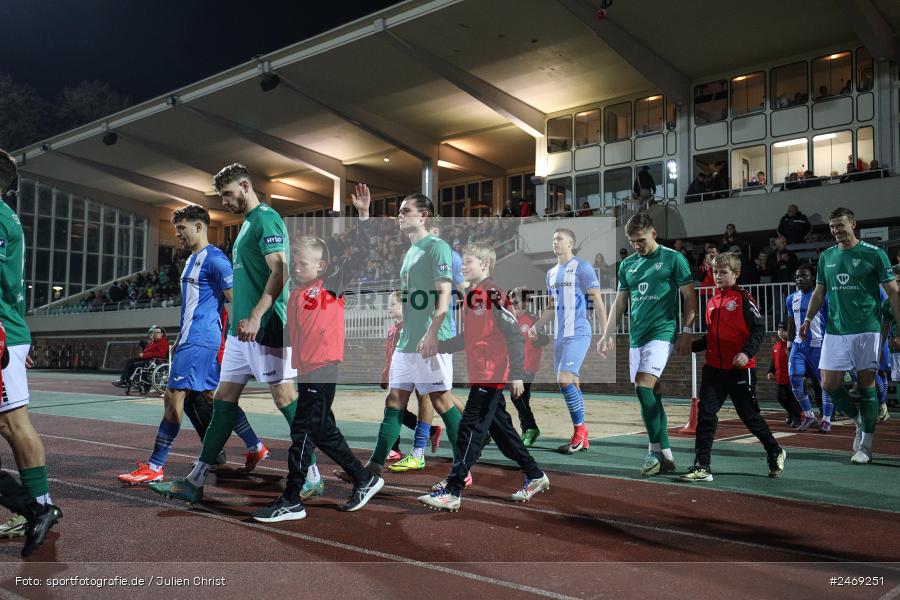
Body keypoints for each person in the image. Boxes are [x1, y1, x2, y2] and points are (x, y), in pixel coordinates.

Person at [149, 163, 307, 503]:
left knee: (285, 400)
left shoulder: (265, 218)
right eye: (221, 195)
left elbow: (280, 270)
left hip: (267, 326)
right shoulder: (247, 224)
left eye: (228, 194)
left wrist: (256, 315)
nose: (224, 201)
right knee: (222, 401)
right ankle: (196, 478)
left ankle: (311, 473)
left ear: (246, 186)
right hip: (242, 333)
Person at [251, 183, 385, 522]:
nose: (296, 267)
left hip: (324, 367)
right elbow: (287, 335)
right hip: (307, 369)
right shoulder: (297, 294)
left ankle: (291, 499)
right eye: (295, 262)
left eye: (302, 262)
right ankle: (365, 478)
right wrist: (257, 333)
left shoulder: (332, 285)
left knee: (303, 433)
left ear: (322, 265)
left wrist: (364, 217)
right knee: (322, 431)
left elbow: (359, 255)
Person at [118, 205, 266, 485]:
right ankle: (255, 446)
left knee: (173, 396)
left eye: (182, 228)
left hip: (200, 340)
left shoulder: (215, 260)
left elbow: (238, 297)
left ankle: (156, 465)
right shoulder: (191, 260)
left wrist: (248, 327)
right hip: (191, 338)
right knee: (213, 398)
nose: (177, 234)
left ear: (199, 227)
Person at [418, 243, 549, 512]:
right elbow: (469, 338)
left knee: (470, 430)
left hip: (492, 377)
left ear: (485, 265)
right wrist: (438, 345)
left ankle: (453, 489)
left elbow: (514, 335)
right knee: (504, 436)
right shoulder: (471, 297)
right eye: (462, 262)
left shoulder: (494, 294)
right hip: (482, 376)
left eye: (469, 262)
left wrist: (517, 374)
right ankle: (535, 475)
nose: (463, 266)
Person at [349, 193, 465, 482]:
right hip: (407, 341)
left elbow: (444, 296)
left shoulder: (438, 248)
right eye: (399, 211)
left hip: (430, 340)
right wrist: (364, 214)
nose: (400, 215)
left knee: (442, 402)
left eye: (406, 210)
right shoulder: (410, 251)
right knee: (394, 400)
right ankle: (373, 469)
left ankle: (462, 468)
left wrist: (432, 333)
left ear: (423, 215)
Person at [799, 207, 900, 464]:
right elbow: (820, 292)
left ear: (853, 224)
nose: (836, 230)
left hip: (867, 328)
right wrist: (809, 318)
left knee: (866, 385)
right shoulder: (827, 257)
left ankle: (865, 446)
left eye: (840, 225)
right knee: (828, 384)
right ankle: (858, 421)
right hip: (835, 330)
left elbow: (893, 291)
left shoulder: (874, 254)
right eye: (832, 226)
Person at [598, 213, 696, 475]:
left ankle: (652, 452)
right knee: (653, 395)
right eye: (632, 242)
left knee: (643, 387)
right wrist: (607, 333)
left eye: (640, 240)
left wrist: (687, 330)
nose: (636, 246)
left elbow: (689, 296)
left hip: (662, 332)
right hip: (636, 336)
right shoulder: (627, 265)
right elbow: (620, 302)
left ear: (653, 233)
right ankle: (666, 454)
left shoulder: (673, 259)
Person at [0, 150, 61, 554]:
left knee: (13, 423)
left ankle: (38, 508)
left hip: (1, 332)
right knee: (12, 423)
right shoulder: (6, 216)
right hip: (8, 329)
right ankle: (35, 508)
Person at [680, 253, 786, 482]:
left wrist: (746, 353)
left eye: (724, 272)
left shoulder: (743, 298)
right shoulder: (711, 301)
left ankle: (774, 450)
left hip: (740, 369)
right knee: (706, 415)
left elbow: (759, 329)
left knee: (749, 416)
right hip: (713, 369)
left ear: (736, 274)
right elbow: (712, 337)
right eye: (716, 272)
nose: (718, 276)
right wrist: (691, 346)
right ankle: (702, 466)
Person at [528, 228, 607, 453]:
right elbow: (552, 306)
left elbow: (598, 300)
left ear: (571, 243)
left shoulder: (582, 267)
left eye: (559, 239)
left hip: (579, 331)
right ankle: (583, 435)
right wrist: (537, 325)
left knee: (564, 379)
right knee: (571, 382)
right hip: (560, 336)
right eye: (553, 239)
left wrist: (606, 332)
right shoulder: (551, 273)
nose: (555, 242)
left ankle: (579, 431)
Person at [381, 292, 443, 462]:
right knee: (393, 406)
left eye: (393, 304)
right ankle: (430, 432)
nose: (389, 308)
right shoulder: (393, 328)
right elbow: (390, 353)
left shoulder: (409, 327)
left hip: (415, 369)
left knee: (398, 406)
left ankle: (396, 447)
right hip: (401, 371)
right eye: (389, 304)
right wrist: (387, 370)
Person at [785, 264, 833, 432]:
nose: (800, 279)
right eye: (797, 276)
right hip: (799, 345)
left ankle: (826, 420)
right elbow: (791, 323)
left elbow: (831, 320)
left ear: (812, 277)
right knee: (794, 377)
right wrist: (789, 345)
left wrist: (831, 343)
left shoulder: (823, 296)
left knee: (825, 384)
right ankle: (809, 416)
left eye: (804, 276)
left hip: (820, 345)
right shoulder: (791, 298)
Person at [509, 287, 550, 446]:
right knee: (522, 398)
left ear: (525, 303)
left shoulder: (533, 319)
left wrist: (538, 336)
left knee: (517, 396)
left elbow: (545, 340)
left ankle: (531, 428)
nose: (514, 304)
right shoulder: (510, 319)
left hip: (528, 365)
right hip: (514, 367)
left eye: (517, 301)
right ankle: (526, 430)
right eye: (512, 302)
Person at [768, 322, 802, 428]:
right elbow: (773, 361)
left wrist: (803, 374)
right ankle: (791, 413)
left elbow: (800, 360)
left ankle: (797, 419)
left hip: (791, 379)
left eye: (783, 330)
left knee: (793, 400)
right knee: (780, 398)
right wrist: (770, 371)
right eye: (779, 330)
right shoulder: (776, 346)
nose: (780, 332)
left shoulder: (793, 346)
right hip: (780, 379)